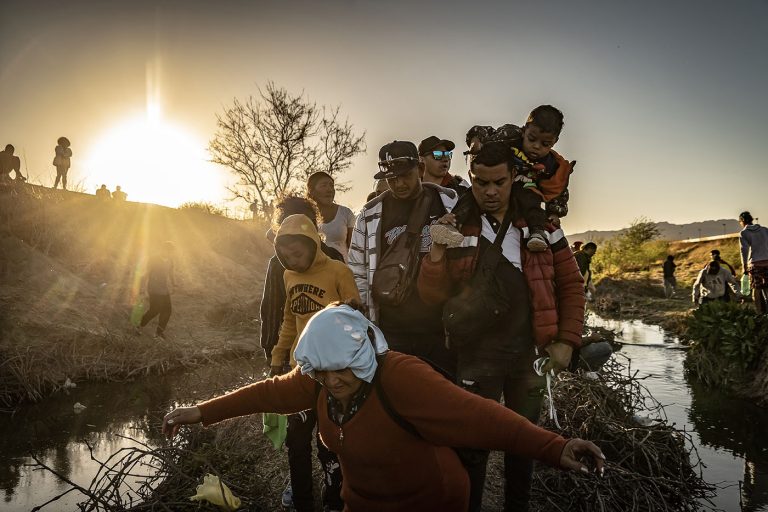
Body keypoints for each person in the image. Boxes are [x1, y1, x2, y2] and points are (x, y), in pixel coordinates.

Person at [162, 303, 606, 512]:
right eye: (324, 373)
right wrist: (200, 411)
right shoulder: (318, 378)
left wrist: (554, 447)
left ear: (363, 357)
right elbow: (267, 393)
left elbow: (481, 416)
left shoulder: (400, 376)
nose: (334, 382)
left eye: (343, 371)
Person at [417, 141, 585, 512]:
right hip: (475, 356)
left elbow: (572, 285)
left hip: (529, 357)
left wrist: (567, 342)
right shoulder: (453, 227)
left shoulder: (544, 228)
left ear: (514, 178)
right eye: (480, 183)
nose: (490, 192)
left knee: (523, 446)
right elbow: (431, 295)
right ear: (471, 181)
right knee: (472, 448)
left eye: (499, 182)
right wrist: (436, 254)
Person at [269, 213, 360, 512]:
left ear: (313, 244)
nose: (292, 260)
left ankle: (335, 500)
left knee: (329, 444)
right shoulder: (288, 276)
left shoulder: (337, 271)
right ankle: (302, 501)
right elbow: (289, 319)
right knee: (295, 443)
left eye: (298, 253)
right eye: (286, 256)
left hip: (332, 375)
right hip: (300, 371)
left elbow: (355, 317)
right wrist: (278, 356)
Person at [348, 140, 459, 375]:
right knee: (399, 397)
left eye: (405, 176)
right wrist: (367, 323)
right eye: (391, 179)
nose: (398, 184)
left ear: (419, 169)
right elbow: (357, 269)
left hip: (440, 328)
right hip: (392, 329)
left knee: (443, 398)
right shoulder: (369, 215)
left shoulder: (450, 203)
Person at [468, 106, 575, 253]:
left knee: (532, 201)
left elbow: (559, 189)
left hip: (525, 192)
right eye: (531, 139)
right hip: (495, 185)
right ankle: (451, 223)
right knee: (470, 195)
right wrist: (476, 141)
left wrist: (555, 213)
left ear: (554, 142)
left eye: (545, 144)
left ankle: (537, 233)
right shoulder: (509, 136)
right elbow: (483, 131)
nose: (536, 146)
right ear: (524, 130)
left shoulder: (552, 165)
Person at [306, 171, 356, 261]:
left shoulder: (346, 213)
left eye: (331, 186)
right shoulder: (305, 215)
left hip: (342, 270)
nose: (329, 189)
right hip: (315, 271)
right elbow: (273, 235)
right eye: (323, 185)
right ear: (312, 191)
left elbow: (354, 248)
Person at [138, 241, 176, 339]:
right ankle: (140, 326)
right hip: (153, 288)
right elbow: (146, 273)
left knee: (168, 310)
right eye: (167, 250)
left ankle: (159, 333)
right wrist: (143, 288)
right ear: (162, 249)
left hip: (164, 289)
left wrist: (174, 284)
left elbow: (171, 273)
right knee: (155, 310)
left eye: (170, 251)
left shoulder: (170, 260)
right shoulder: (154, 259)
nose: (168, 252)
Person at [739, 211, 768, 314]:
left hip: (755, 265)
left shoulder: (744, 233)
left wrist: (744, 267)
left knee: (756, 289)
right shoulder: (764, 230)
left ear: (742, 221)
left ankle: (759, 313)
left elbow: (744, 250)